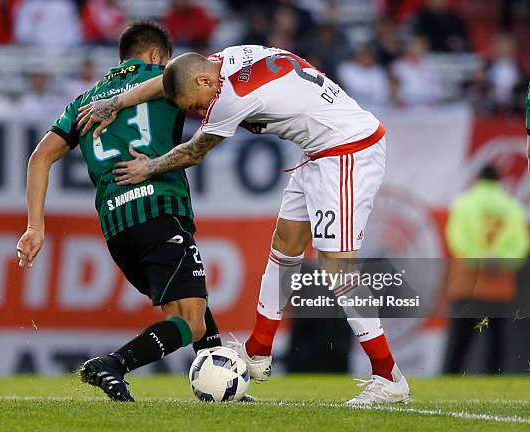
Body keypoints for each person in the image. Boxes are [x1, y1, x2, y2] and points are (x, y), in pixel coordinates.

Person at [76, 45, 411, 405]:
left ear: (205, 81)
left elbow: (195, 151)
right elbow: (168, 80)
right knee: (285, 243)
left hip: (348, 151)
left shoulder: (231, 96)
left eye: (195, 104)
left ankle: (387, 374)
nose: (197, 111)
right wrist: (119, 102)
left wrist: (149, 167)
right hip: (318, 151)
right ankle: (258, 351)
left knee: (337, 265)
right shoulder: (223, 62)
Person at [15, 21, 223, 402]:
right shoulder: (166, 76)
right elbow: (203, 86)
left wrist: (35, 225)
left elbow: (39, 157)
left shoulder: (84, 101)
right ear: (158, 56)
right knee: (191, 321)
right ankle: (113, 364)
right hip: (158, 207)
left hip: (117, 227)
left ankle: (222, 387)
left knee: (189, 303)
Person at [444, 165, 528, 373]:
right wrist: (500, 260)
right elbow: (521, 246)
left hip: (468, 285)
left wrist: (479, 259)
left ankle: (450, 378)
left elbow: (456, 241)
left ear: (478, 178)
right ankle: (492, 378)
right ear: (499, 180)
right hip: (499, 288)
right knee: (496, 342)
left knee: (459, 341)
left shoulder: (463, 203)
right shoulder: (513, 207)